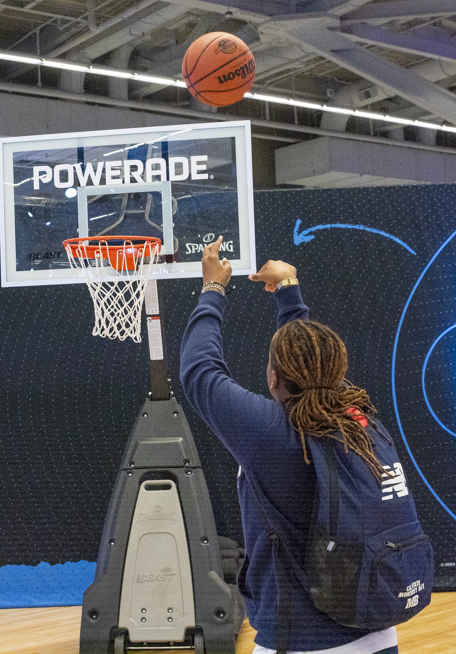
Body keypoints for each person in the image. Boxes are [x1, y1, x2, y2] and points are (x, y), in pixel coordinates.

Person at [179, 237, 399, 654]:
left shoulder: (270, 433)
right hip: (377, 630)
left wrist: (213, 289)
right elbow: (311, 364)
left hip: (302, 641)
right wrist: (289, 292)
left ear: (274, 377)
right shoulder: (358, 418)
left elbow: (199, 369)